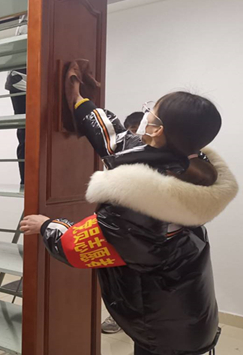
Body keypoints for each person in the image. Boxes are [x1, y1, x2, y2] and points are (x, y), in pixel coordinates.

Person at [20, 66, 239, 355]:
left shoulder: (137, 205)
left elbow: (76, 247)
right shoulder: (189, 166)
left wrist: (46, 225)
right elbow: (117, 140)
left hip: (166, 334)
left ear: (157, 129)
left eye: (151, 110)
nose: (145, 113)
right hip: (188, 313)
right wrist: (80, 101)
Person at [6, 0, 102, 184]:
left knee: (64, 137)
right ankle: (28, 187)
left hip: (62, 77)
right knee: (30, 136)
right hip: (27, 75)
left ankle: (55, 190)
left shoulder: (86, 5)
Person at [101, 110, 144, 334]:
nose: (135, 138)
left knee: (139, 276)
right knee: (119, 273)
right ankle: (119, 317)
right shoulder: (117, 155)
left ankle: (136, 319)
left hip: (144, 227)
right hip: (120, 222)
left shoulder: (158, 158)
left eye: (139, 132)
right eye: (131, 132)